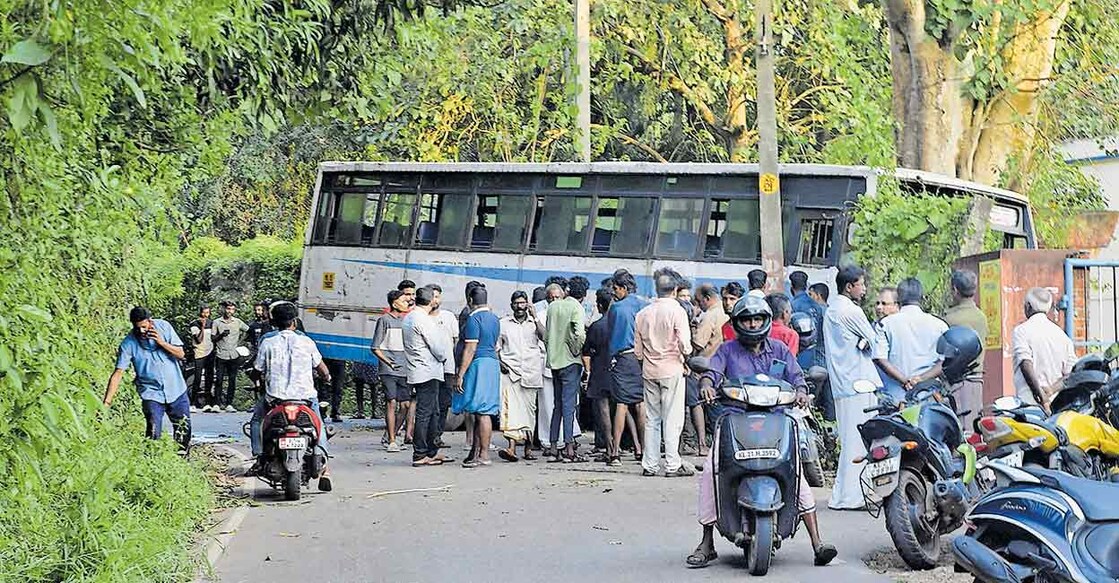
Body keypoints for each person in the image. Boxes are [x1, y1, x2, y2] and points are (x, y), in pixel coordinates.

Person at [687, 296, 837, 568]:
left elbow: (798, 378)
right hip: (736, 418)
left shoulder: (780, 350)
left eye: (757, 319)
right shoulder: (727, 350)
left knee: (798, 473)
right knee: (711, 471)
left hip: (776, 420)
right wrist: (707, 384)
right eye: (746, 319)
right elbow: (711, 372)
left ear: (766, 321)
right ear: (737, 323)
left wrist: (802, 392)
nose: (752, 323)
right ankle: (706, 542)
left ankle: (817, 543)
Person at [247, 302, 333, 490]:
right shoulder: (307, 342)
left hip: (275, 399)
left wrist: (256, 378)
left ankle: (259, 455)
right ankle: (323, 462)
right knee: (319, 426)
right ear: (294, 321)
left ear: (273, 322)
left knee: (256, 421)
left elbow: (257, 369)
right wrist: (326, 377)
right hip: (305, 399)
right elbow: (322, 368)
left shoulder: (267, 342)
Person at [824, 265, 882, 510]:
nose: (864, 289)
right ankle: (853, 496)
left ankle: (844, 495)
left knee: (849, 441)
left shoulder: (832, 310)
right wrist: (864, 343)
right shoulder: (852, 311)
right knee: (860, 442)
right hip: (859, 384)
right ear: (850, 287)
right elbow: (874, 340)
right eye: (862, 284)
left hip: (842, 383)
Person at [104, 307, 191, 449]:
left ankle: (182, 460)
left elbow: (181, 354)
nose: (141, 332)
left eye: (144, 327)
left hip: (176, 389)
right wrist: (106, 403)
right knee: (153, 431)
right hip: (151, 393)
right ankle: (152, 459)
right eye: (137, 328)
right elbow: (118, 373)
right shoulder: (129, 343)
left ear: (150, 322)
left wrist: (161, 342)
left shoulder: (164, 326)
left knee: (183, 430)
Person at [634, 272, 693, 477]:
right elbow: (686, 346)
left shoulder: (643, 314)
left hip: (649, 371)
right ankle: (672, 464)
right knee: (672, 419)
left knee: (652, 419)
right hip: (672, 370)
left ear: (656, 289)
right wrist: (685, 357)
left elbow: (638, 352)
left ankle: (649, 465)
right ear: (675, 290)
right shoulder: (678, 312)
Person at [873, 278, 949, 404]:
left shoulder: (885, 324)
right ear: (921, 297)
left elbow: (879, 358)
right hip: (930, 395)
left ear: (899, 298)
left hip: (896, 398)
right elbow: (945, 361)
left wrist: (905, 380)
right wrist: (920, 379)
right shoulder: (940, 325)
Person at [403, 286, 453, 467]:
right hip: (428, 371)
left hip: (419, 370)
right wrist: (444, 356)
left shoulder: (410, 317)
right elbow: (438, 348)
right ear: (432, 301)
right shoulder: (422, 319)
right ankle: (420, 454)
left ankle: (431, 451)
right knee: (425, 413)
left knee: (432, 412)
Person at [454, 286, 503, 467]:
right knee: (486, 410)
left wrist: (461, 374)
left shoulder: (474, 318)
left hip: (479, 364)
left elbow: (470, 348)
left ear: (470, 301)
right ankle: (481, 452)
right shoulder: (495, 319)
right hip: (492, 363)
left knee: (480, 411)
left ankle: (482, 454)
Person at [497, 291, 544, 462]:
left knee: (529, 413)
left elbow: (545, 337)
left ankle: (528, 449)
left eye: (523, 303)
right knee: (511, 412)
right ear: (511, 305)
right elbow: (497, 348)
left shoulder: (535, 323)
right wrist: (500, 364)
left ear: (528, 305)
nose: (519, 306)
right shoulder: (503, 324)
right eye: (516, 303)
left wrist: (536, 317)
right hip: (510, 372)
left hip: (531, 373)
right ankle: (510, 449)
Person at [607, 270, 648, 464]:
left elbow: (613, 338)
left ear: (623, 288)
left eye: (615, 288)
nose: (614, 292)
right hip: (641, 359)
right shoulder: (644, 305)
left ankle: (615, 451)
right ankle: (644, 450)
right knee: (641, 404)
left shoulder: (616, 308)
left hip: (623, 358)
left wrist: (610, 360)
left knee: (621, 405)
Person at [1012, 287, 1076, 411]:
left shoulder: (1021, 331)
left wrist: (1040, 395)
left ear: (1028, 306)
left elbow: (1025, 363)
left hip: (1029, 404)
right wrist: (1051, 390)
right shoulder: (1061, 335)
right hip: (1057, 406)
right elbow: (1071, 373)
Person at [546, 276, 588, 463]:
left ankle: (553, 445)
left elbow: (546, 336)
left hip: (554, 361)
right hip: (571, 361)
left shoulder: (553, 306)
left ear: (568, 290)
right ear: (584, 296)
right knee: (569, 406)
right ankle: (569, 447)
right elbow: (579, 333)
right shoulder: (577, 308)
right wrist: (576, 348)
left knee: (557, 406)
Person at [943, 269, 988, 427]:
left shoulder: (950, 319)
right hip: (976, 379)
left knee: (962, 427)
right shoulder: (980, 316)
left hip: (958, 381)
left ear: (955, 290)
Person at [372, 290, 412, 452]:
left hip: (405, 369)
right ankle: (393, 441)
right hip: (388, 369)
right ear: (394, 303)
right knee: (391, 402)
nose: (407, 303)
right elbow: (375, 347)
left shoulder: (408, 321)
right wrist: (388, 361)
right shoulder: (384, 320)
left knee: (406, 405)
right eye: (404, 300)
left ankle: (391, 434)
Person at [583, 288, 616, 463]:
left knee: (603, 409)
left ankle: (609, 446)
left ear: (600, 305)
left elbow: (587, 351)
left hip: (600, 370)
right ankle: (634, 446)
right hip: (619, 369)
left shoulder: (597, 326)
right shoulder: (621, 322)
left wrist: (587, 373)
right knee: (624, 409)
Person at [428, 284, 459, 449]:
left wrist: (456, 366)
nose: (435, 300)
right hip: (428, 370)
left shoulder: (449, 317)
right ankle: (428, 436)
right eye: (432, 296)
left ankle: (437, 435)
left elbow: (456, 341)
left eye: (437, 296)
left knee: (444, 403)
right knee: (429, 404)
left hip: (447, 368)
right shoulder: (422, 317)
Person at [212, 301, 249, 412]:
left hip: (233, 354)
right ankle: (217, 404)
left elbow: (248, 330)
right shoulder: (217, 322)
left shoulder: (237, 322)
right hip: (221, 354)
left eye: (232, 309)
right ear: (224, 309)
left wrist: (241, 341)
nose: (230, 311)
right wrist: (221, 335)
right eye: (228, 309)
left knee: (232, 380)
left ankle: (229, 403)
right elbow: (213, 338)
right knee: (219, 379)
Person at [790, 271, 826, 370]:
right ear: (806, 286)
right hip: (816, 356)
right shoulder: (817, 306)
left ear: (792, 287)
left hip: (800, 355)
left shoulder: (792, 305)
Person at [189, 306, 215, 412]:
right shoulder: (194, 324)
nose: (205, 315)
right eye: (204, 313)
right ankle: (193, 403)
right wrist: (202, 327)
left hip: (210, 352)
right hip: (199, 353)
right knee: (197, 378)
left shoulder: (212, 323)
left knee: (209, 377)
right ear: (200, 313)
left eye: (207, 313)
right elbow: (199, 339)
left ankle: (208, 403)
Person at [246, 302, 273, 398]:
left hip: (269, 355)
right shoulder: (253, 325)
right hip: (257, 353)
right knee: (256, 375)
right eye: (256, 310)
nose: (259, 312)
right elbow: (249, 340)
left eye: (260, 310)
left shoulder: (270, 325)